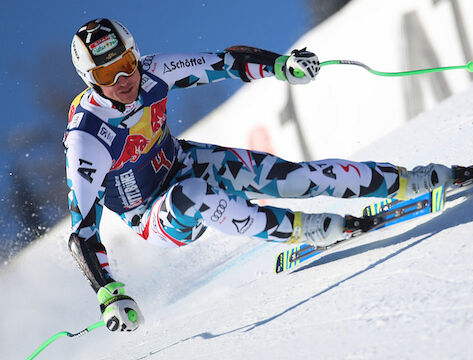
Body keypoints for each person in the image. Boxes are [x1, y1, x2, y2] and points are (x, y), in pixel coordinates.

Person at [65, 18, 452, 332]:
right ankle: (306, 229)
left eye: (127, 63)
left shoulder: (153, 70)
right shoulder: (87, 137)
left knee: (289, 178)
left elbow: (225, 62)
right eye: (108, 72)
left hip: (186, 162)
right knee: (196, 194)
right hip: (154, 215)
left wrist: (282, 66)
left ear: (134, 53)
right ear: (90, 78)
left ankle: (407, 180)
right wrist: (110, 295)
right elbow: (81, 231)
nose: (124, 79)